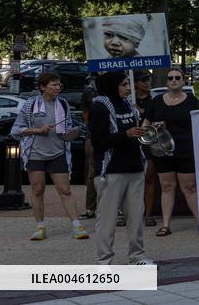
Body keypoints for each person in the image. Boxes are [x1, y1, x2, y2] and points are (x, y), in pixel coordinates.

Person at [11, 72, 88, 241]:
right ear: (42, 87)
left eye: (59, 85)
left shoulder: (63, 104)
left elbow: (66, 130)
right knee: (38, 190)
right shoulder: (30, 105)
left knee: (65, 190)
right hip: (35, 153)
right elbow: (16, 130)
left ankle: (77, 225)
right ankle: (40, 227)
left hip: (58, 152)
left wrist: (72, 133)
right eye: (54, 85)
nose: (58, 88)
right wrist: (38, 130)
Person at [88, 71, 152, 265]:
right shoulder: (100, 107)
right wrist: (125, 135)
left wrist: (149, 130)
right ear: (112, 86)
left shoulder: (126, 105)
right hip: (112, 170)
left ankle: (137, 256)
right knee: (107, 220)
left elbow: (134, 134)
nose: (128, 88)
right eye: (124, 84)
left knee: (136, 218)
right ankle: (104, 261)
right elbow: (98, 142)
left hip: (134, 167)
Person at [142, 67, 199, 237]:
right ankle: (166, 225)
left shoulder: (191, 100)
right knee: (167, 186)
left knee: (189, 187)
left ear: (184, 81)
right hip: (162, 151)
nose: (173, 80)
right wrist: (154, 127)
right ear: (166, 82)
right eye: (170, 78)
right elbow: (145, 126)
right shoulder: (157, 101)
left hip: (186, 150)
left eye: (177, 77)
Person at [132, 70, 157, 228]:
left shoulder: (154, 99)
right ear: (136, 83)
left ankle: (148, 214)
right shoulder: (128, 99)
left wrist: (141, 111)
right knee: (132, 181)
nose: (146, 83)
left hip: (149, 143)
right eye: (143, 80)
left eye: (148, 80)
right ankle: (129, 213)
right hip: (132, 143)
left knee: (149, 178)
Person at [78, 75, 99, 220]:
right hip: (93, 135)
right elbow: (85, 113)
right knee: (92, 173)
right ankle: (91, 208)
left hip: (109, 135)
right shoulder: (90, 92)